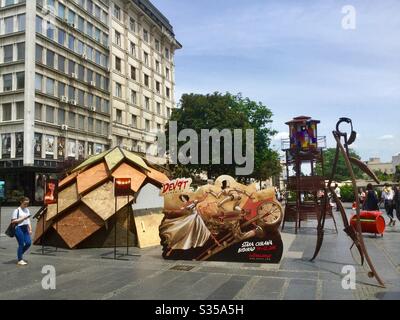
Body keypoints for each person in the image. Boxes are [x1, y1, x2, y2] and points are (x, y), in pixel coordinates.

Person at [11, 197, 32, 266]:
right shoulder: (16, 210)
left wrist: (30, 228)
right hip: (18, 228)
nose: (26, 205)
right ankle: (20, 260)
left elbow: (28, 220)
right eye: (25, 203)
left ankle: (19, 254)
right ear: (21, 202)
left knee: (28, 243)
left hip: (25, 228)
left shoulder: (27, 210)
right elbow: (13, 221)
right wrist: (23, 218)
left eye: (27, 204)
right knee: (21, 244)